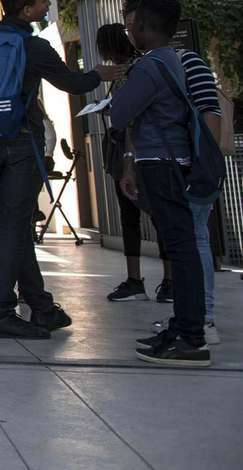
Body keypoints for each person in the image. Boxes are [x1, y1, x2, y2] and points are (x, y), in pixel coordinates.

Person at [0, 0, 123, 340]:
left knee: (15, 226)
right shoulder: (34, 46)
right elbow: (72, 84)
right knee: (13, 228)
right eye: (43, 0)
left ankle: (41, 307)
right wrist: (98, 74)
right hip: (21, 144)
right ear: (27, 9)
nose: (48, 6)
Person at [120, 0, 226, 346]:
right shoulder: (163, 62)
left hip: (179, 167)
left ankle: (199, 324)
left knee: (189, 244)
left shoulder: (172, 62)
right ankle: (186, 321)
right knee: (184, 244)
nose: (130, 30)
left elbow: (209, 110)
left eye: (133, 23)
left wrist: (200, 165)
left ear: (144, 26)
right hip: (174, 165)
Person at [96, 21, 160, 303]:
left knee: (151, 214)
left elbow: (132, 114)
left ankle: (155, 280)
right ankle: (137, 280)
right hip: (122, 148)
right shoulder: (124, 71)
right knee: (135, 216)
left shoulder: (135, 70)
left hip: (132, 149)